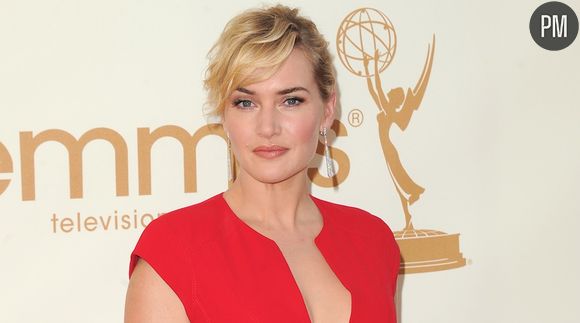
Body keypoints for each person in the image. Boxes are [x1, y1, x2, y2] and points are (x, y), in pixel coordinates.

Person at [124, 5, 400, 323]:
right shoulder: (174, 252)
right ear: (224, 115)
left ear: (327, 110)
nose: (267, 127)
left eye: (291, 100)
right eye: (246, 102)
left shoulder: (373, 241)